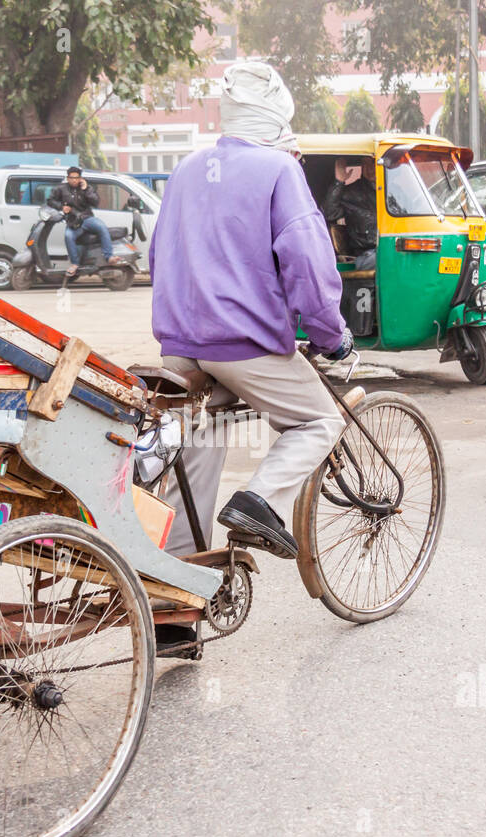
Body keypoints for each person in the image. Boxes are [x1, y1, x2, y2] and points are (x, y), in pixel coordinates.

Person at [148, 61, 353, 651]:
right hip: (243, 345)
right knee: (319, 419)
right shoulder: (278, 170)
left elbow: (162, 258)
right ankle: (260, 500)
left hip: (181, 347)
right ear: (278, 124)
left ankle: (173, 611)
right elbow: (309, 266)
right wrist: (331, 333)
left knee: (198, 451)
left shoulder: (185, 170)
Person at [45, 167, 122, 276]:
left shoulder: (87, 188)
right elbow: (50, 201)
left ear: (81, 178)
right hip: (73, 221)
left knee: (102, 227)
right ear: (68, 178)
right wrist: (61, 207)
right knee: (68, 236)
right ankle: (75, 264)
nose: (74, 180)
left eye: (77, 178)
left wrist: (86, 189)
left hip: (87, 218)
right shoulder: (61, 189)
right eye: (72, 178)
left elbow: (96, 202)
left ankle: (109, 257)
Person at [323, 156, 378, 269]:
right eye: (365, 164)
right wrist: (339, 182)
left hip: (389, 247)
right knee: (386, 259)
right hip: (365, 254)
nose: (369, 169)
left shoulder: (393, 192)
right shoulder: (352, 192)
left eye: (373, 163)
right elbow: (329, 213)